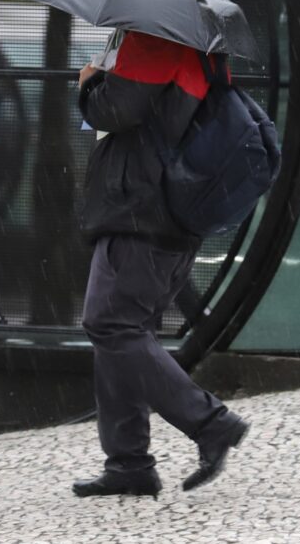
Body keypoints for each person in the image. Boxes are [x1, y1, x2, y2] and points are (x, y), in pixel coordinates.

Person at [72, 30, 249, 498]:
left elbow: (113, 109)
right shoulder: (205, 51)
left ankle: (210, 422)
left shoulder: (154, 41)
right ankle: (128, 463)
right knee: (124, 331)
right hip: (169, 213)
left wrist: (89, 83)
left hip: (141, 213)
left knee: (110, 324)